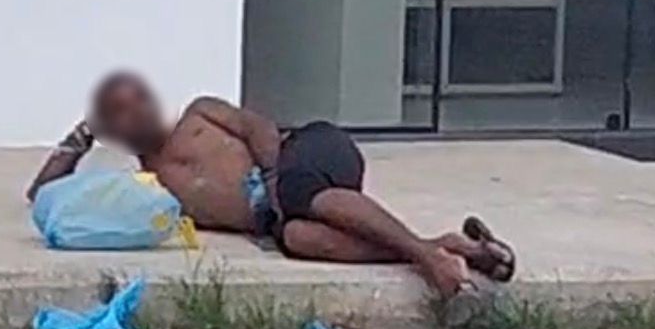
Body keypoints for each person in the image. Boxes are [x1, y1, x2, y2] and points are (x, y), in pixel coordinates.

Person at [27, 72, 515, 299]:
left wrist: (274, 183)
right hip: (287, 214)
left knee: (298, 198)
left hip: (306, 152)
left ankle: (430, 260)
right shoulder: (147, 189)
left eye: (140, 98)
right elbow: (42, 198)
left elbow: (259, 128)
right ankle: (447, 248)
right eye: (120, 111)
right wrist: (81, 134)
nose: (137, 111)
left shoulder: (199, 114)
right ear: (111, 129)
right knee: (299, 239)